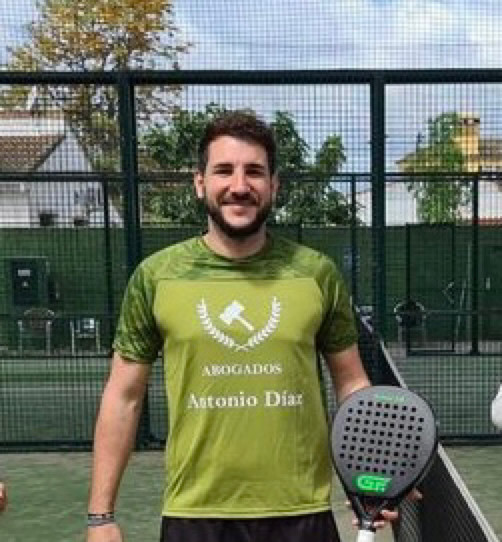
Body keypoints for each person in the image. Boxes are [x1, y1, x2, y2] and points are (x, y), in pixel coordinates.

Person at [86, 111, 399, 542]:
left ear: (274, 185)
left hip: (301, 512)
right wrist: (100, 516)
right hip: (195, 515)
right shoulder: (156, 276)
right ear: (200, 183)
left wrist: (373, 472)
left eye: (254, 171)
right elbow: (123, 396)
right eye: (223, 171)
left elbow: (351, 383)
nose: (239, 185)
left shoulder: (316, 273)